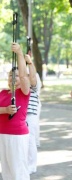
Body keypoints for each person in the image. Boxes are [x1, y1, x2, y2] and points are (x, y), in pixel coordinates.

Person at [0, 43, 30, 180]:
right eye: (11, 75)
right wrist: (5, 110)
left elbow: (24, 77)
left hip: (17, 136)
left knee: (18, 170)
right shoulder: (3, 93)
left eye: (16, 76)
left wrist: (19, 53)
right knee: (6, 171)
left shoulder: (23, 92)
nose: (13, 77)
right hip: (2, 135)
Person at [24, 54, 41, 175]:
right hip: (21, 116)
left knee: (30, 141)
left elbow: (33, 76)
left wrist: (30, 63)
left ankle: (32, 165)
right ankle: (25, 164)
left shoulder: (33, 87)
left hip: (30, 116)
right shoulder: (21, 88)